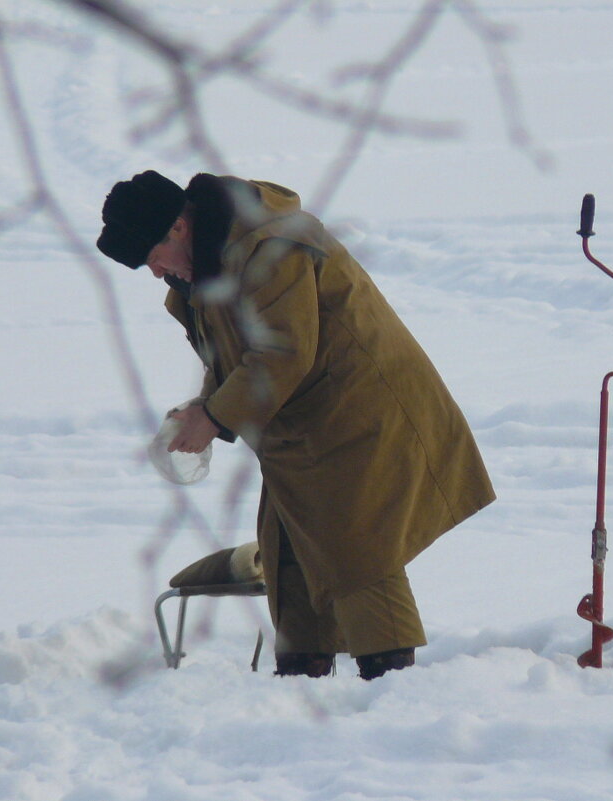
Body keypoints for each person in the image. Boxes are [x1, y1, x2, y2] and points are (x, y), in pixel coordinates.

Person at [97, 170, 495, 680]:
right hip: (302, 428)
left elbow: (283, 351)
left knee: (358, 553)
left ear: (177, 228)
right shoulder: (206, 267)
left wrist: (216, 415)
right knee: (288, 558)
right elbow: (235, 355)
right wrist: (202, 408)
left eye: (153, 259)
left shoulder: (269, 250)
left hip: (361, 412)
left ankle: (396, 690)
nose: (156, 274)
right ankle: (300, 687)